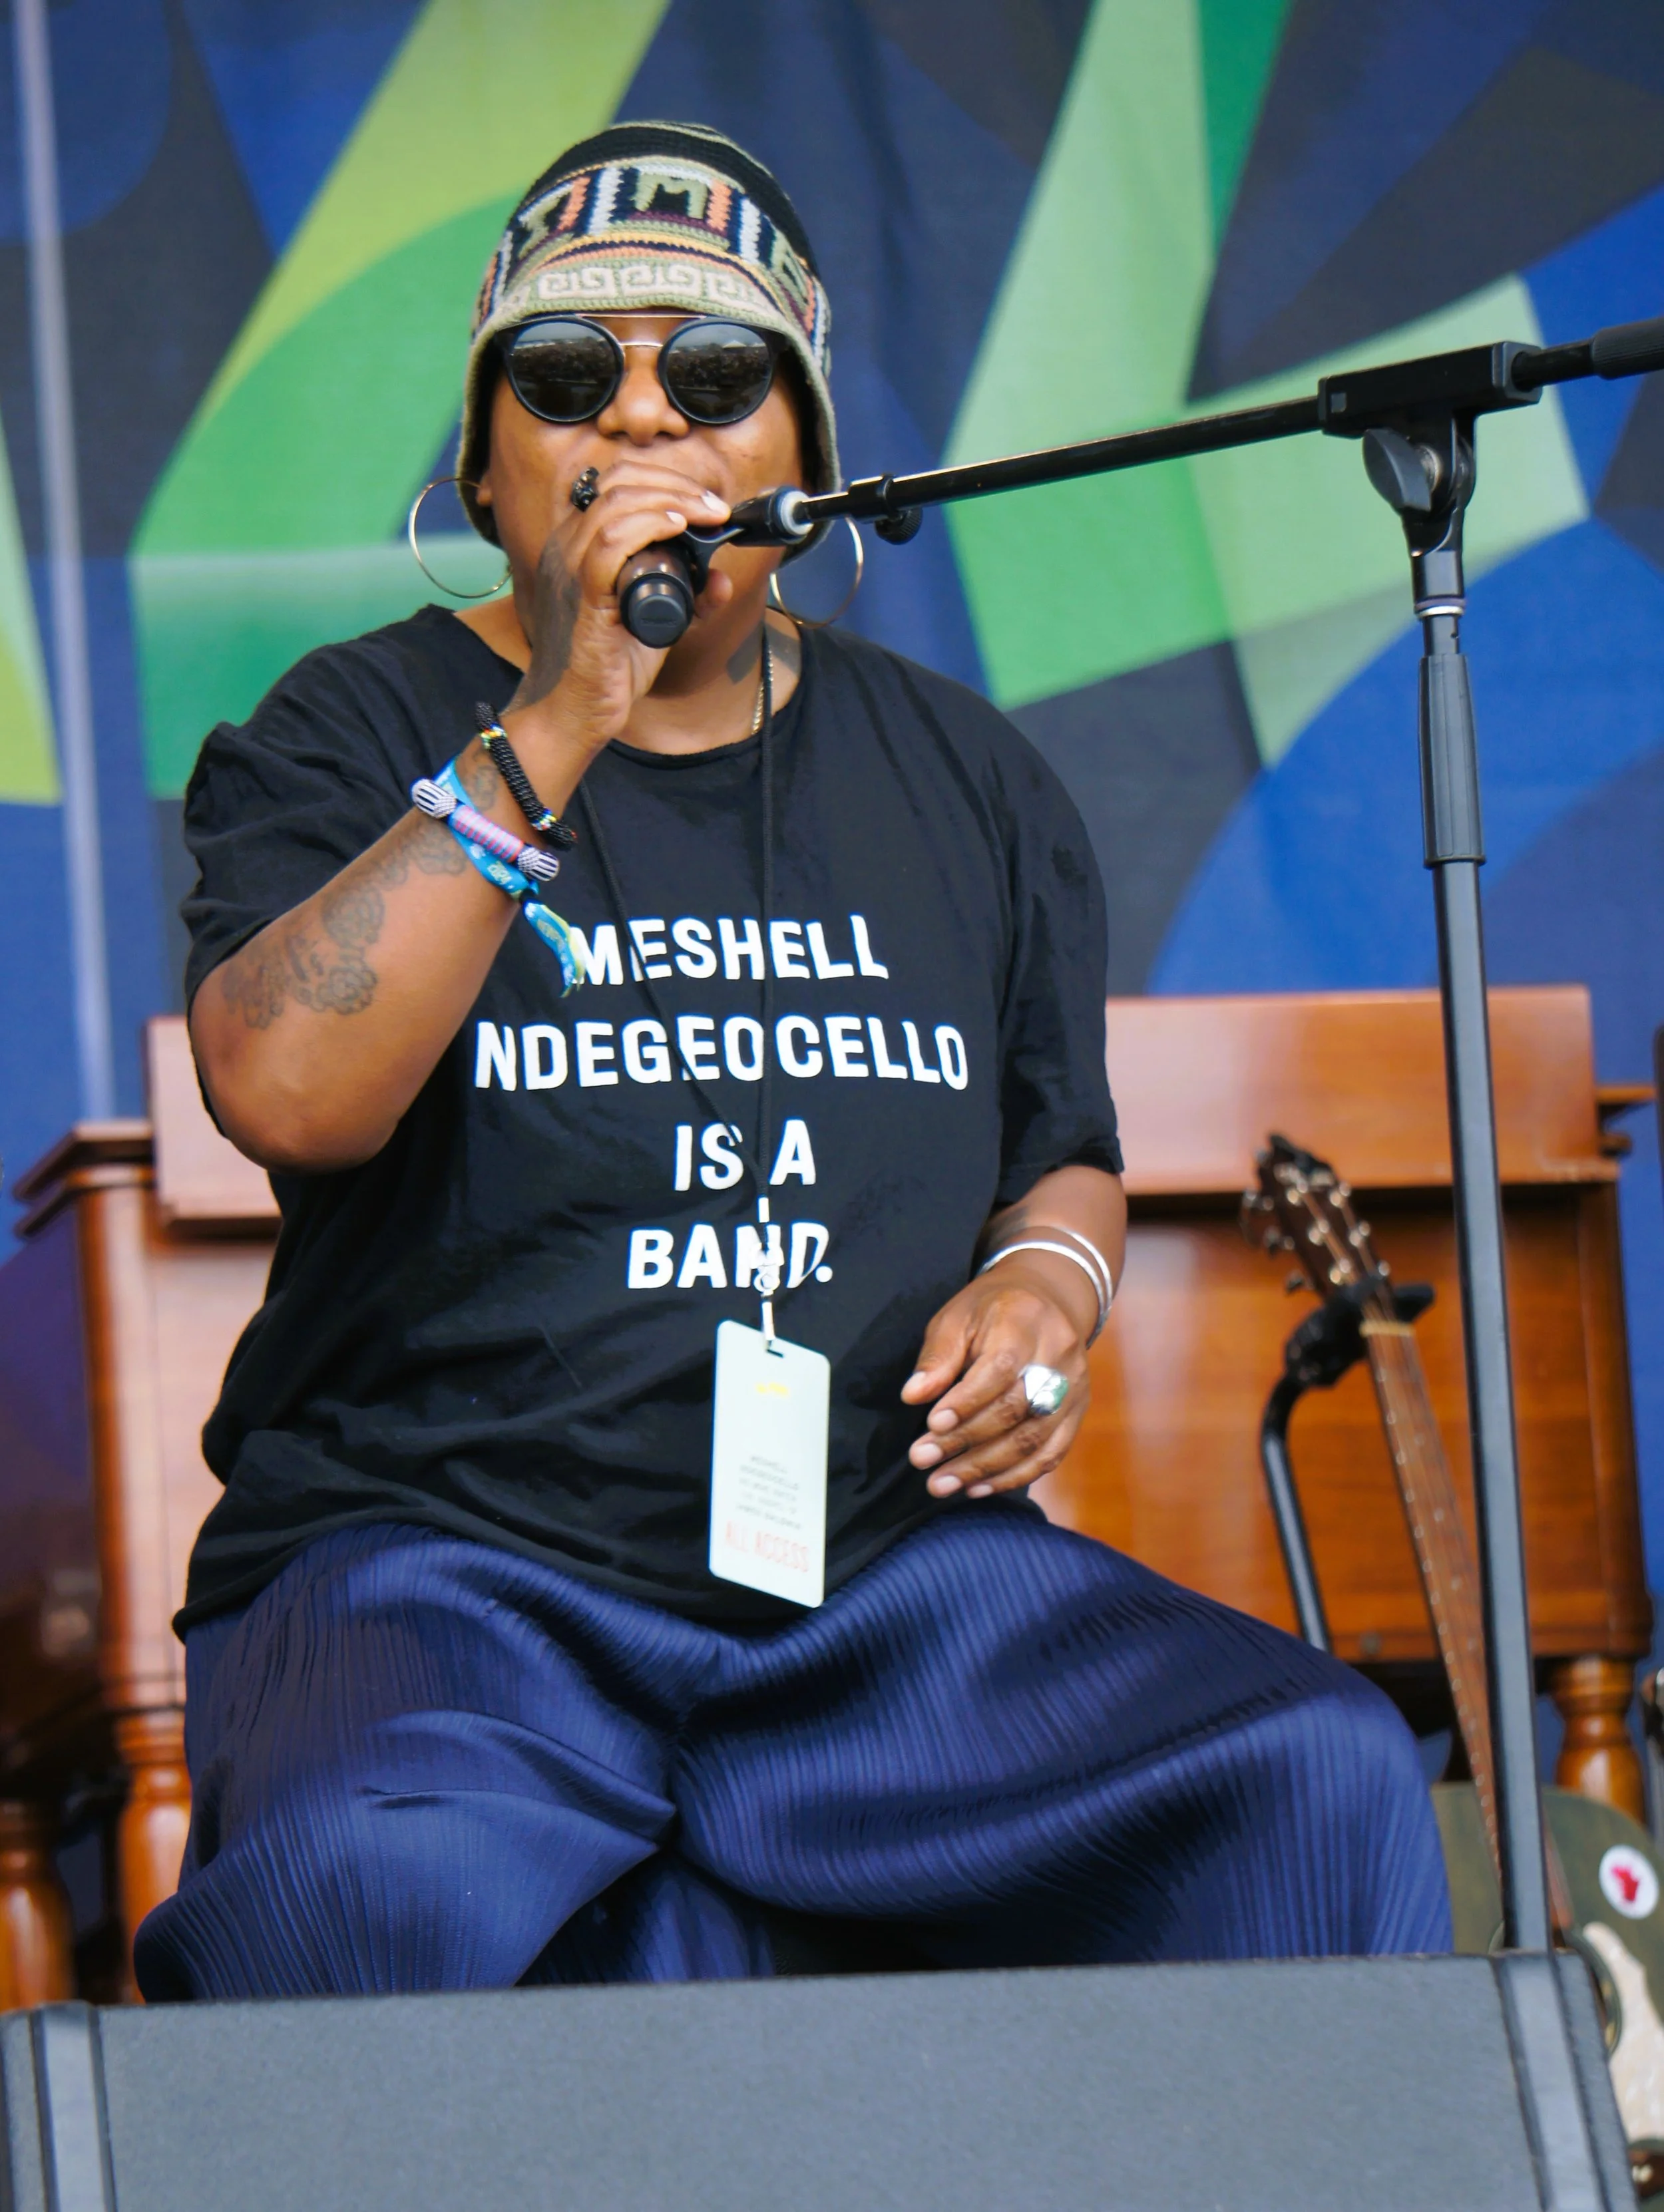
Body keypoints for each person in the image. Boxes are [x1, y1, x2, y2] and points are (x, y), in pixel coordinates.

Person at [136, 121, 1449, 1999]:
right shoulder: (348, 727)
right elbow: (284, 1087)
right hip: (448, 1575)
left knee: (1307, 1778)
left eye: (723, 375)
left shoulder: (967, 774)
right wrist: (569, 700)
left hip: (875, 1585)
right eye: (573, 379)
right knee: (365, 1901)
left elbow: (1055, 1149)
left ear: (811, 465)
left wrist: (1044, 1284)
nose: (648, 421)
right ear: (486, 471)